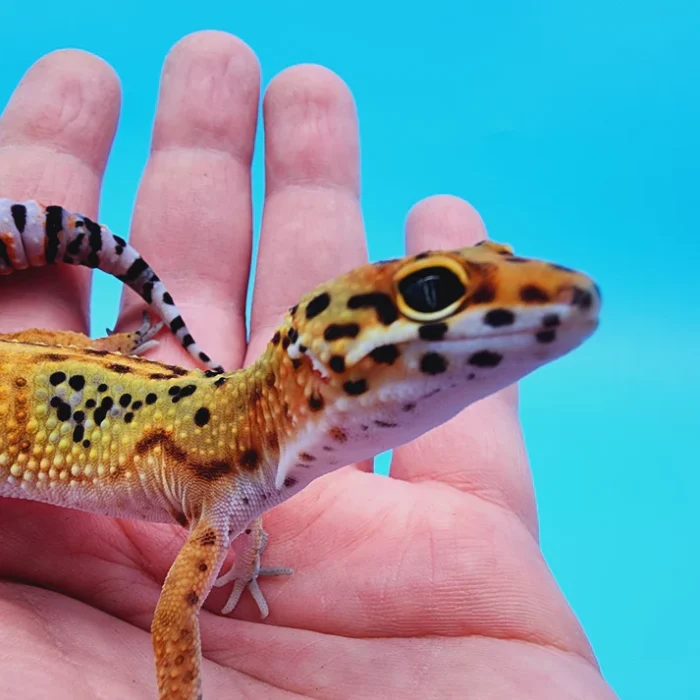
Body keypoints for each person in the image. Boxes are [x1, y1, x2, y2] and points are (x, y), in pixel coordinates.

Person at [0, 30, 617, 699]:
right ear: (317, 364)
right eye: (432, 294)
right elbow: (172, 619)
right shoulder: (227, 486)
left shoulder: (250, 462)